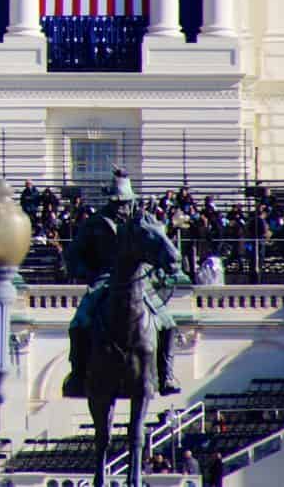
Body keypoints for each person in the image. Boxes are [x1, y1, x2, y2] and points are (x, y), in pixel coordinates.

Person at [62, 167, 180, 397]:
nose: (123, 207)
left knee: (168, 322)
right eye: (119, 202)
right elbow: (73, 254)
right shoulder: (95, 223)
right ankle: (78, 375)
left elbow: (160, 245)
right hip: (104, 279)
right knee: (79, 322)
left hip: (139, 279)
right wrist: (85, 271)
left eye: (126, 201)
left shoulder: (143, 221)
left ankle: (166, 375)